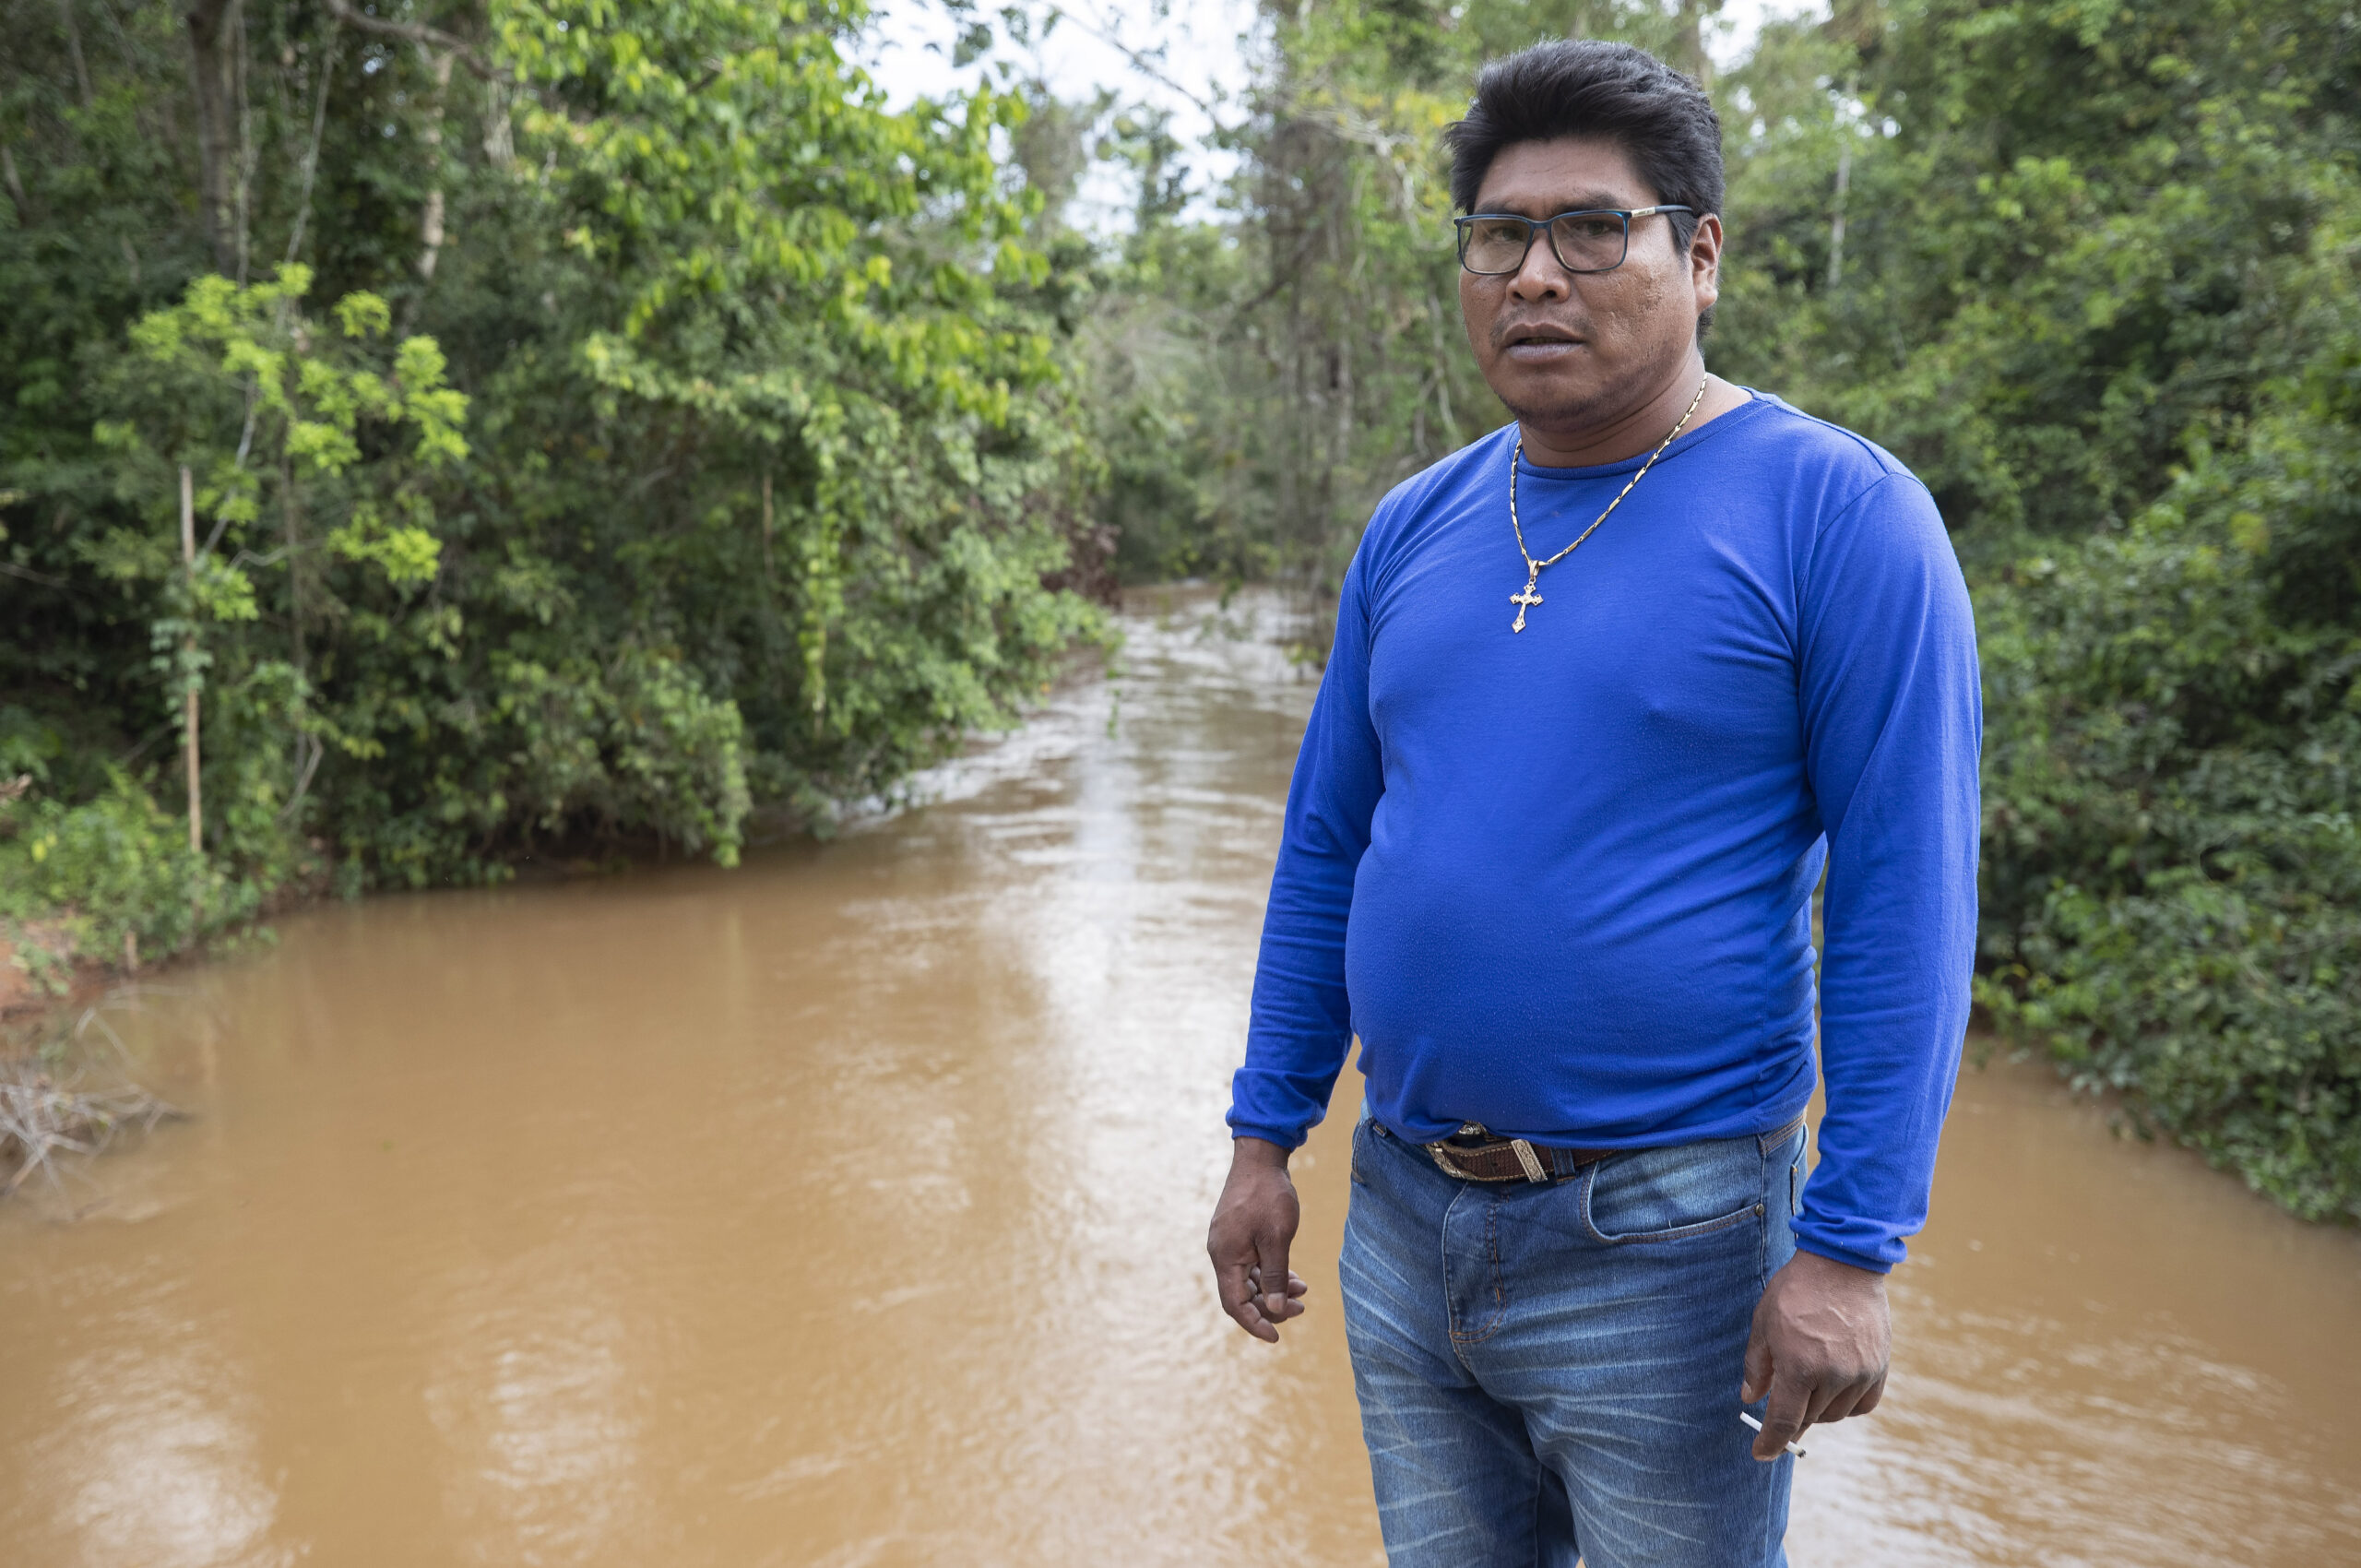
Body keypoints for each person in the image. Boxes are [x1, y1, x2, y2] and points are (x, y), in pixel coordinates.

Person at [1204, 37, 1981, 1568]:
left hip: (1672, 1244)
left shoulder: (1841, 515)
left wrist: (1849, 1248)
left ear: (1699, 256)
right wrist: (1260, 1135)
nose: (1535, 276)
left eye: (1590, 229)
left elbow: (1909, 895)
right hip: (1406, 1219)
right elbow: (1330, 847)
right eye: (1499, 236)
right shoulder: (1417, 523)